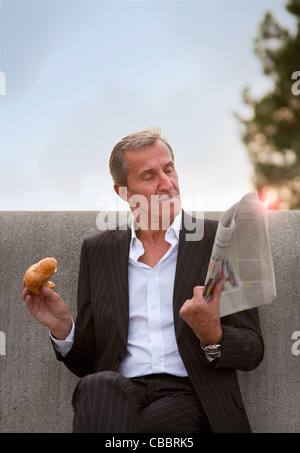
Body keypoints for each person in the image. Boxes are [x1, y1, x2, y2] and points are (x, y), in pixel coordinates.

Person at [22, 127, 264, 433]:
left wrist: (212, 334)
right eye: (149, 176)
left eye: (169, 169)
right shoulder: (98, 251)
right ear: (123, 192)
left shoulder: (220, 241)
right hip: (117, 390)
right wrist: (62, 327)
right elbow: (89, 362)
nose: (167, 184)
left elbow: (253, 349)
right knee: (95, 387)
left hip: (192, 395)